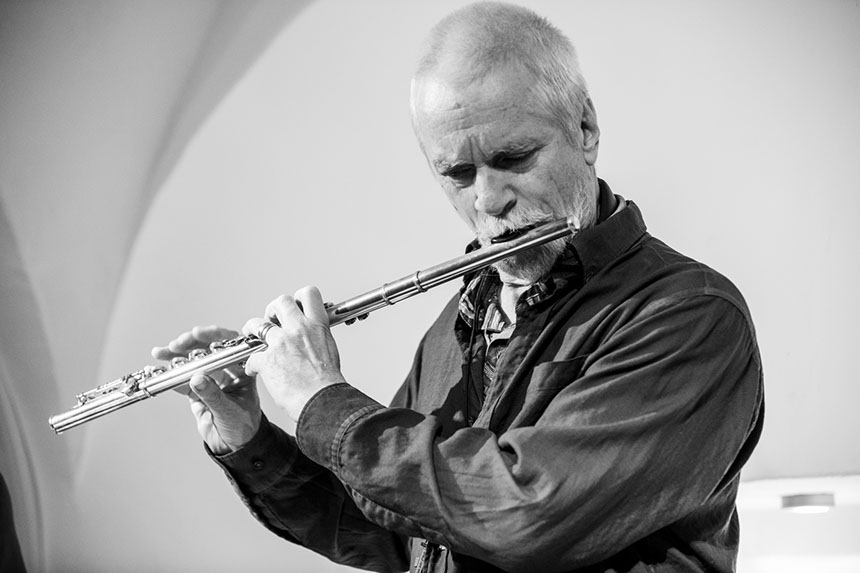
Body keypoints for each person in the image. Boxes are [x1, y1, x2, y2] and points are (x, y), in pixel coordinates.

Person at [154, 3, 763, 572]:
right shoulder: (460, 319)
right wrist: (248, 436)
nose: (488, 201)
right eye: (458, 173)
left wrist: (323, 400)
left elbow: (528, 515)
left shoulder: (688, 315)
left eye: (514, 157)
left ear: (585, 127)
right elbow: (394, 531)